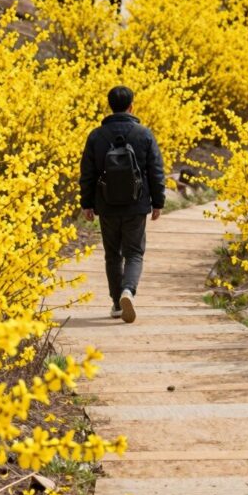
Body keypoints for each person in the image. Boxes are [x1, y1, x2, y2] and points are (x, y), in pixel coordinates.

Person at [79, 86, 165, 324]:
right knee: (134, 253)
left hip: (106, 204)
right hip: (136, 204)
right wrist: (158, 202)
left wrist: (86, 203)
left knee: (112, 255)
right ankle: (129, 290)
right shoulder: (143, 134)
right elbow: (155, 171)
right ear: (131, 106)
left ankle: (117, 302)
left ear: (110, 106)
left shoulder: (96, 136)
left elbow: (87, 172)